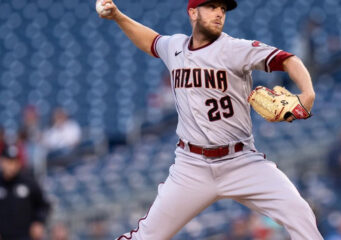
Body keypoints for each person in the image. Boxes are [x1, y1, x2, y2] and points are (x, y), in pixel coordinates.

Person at [99, 0, 322, 239]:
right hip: (192, 166)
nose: (219, 14)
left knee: (299, 212)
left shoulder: (236, 49)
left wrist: (307, 93)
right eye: (212, 7)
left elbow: (289, 60)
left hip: (241, 161)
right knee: (147, 235)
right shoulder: (175, 46)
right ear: (193, 13)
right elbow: (151, 41)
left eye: (223, 9)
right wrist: (118, 17)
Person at [0, 145, 51, 240]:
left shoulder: (28, 182)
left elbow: (43, 205)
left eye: (14, 161)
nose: (12, 165)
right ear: (2, 161)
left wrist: (39, 221)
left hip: (26, 236)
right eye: (9, 161)